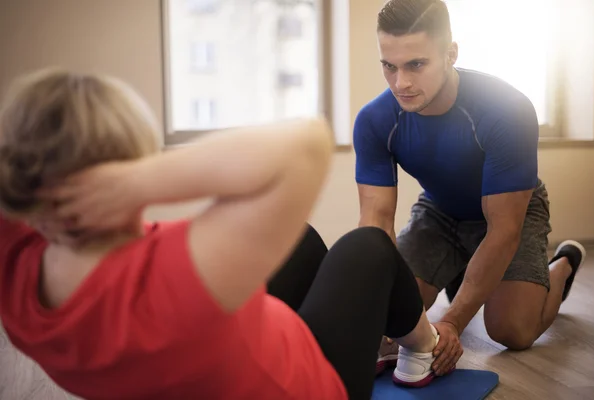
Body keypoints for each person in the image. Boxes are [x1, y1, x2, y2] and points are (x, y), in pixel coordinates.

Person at [0, 68, 442, 400]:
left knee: (300, 239)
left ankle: (390, 342)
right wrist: (135, 180)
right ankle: (423, 349)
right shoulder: (169, 276)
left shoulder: (16, 265)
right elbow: (307, 140)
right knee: (367, 247)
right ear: (123, 169)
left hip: (231, 359)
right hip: (311, 386)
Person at [355, 0, 586, 377]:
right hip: (439, 212)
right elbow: (375, 223)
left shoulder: (506, 108)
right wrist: (378, 307)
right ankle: (465, 275)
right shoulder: (374, 120)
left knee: (512, 330)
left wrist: (453, 322)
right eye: (389, 66)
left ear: (450, 54)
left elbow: (504, 229)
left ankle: (561, 265)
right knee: (389, 315)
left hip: (513, 212)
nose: (402, 83)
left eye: (416, 64)